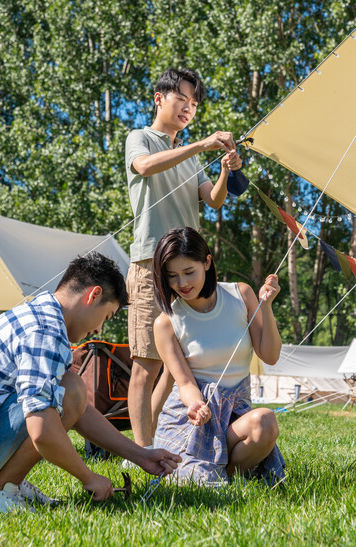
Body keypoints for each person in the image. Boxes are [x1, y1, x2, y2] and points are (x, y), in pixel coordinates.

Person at [0, 253, 181, 513]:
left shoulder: (39, 314)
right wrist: (89, 477)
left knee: (68, 389)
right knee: (69, 389)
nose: (99, 329)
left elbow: (78, 410)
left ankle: (5, 483)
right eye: (105, 317)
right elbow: (42, 430)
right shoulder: (45, 331)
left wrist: (140, 455)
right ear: (93, 294)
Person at [124, 68, 242, 451]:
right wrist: (202, 145)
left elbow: (213, 200)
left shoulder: (191, 159)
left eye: (194, 104)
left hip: (186, 267)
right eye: (182, 100)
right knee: (146, 363)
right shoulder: (140, 138)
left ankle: (158, 443)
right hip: (149, 265)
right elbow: (144, 166)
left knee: (178, 367)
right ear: (159, 98)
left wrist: (223, 171)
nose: (189, 109)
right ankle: (140, 453)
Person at [150, 227, 285, 485]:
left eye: (189, 272)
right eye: (172, 276)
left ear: (207, 262)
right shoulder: (166, 323)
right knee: (189, 478)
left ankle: (224, 474)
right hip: (191, 419)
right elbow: (185, 382)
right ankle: (217, 476)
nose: (182, 284)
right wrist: (195, 406)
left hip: (236, 414)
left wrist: (265, 307)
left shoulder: (240, 295)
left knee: (265, 422)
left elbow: (270, 355)